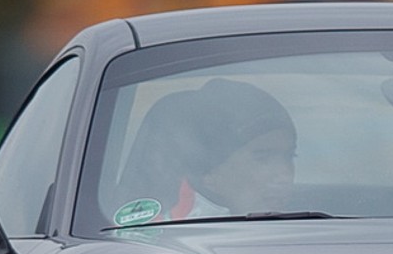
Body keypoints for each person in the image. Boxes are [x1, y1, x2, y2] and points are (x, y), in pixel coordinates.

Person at [120, 78, 297, 220]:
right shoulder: (160, 239)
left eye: (290, 156)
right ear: (208, 173)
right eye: (263, 158)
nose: (285, 175)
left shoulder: (307, 225)